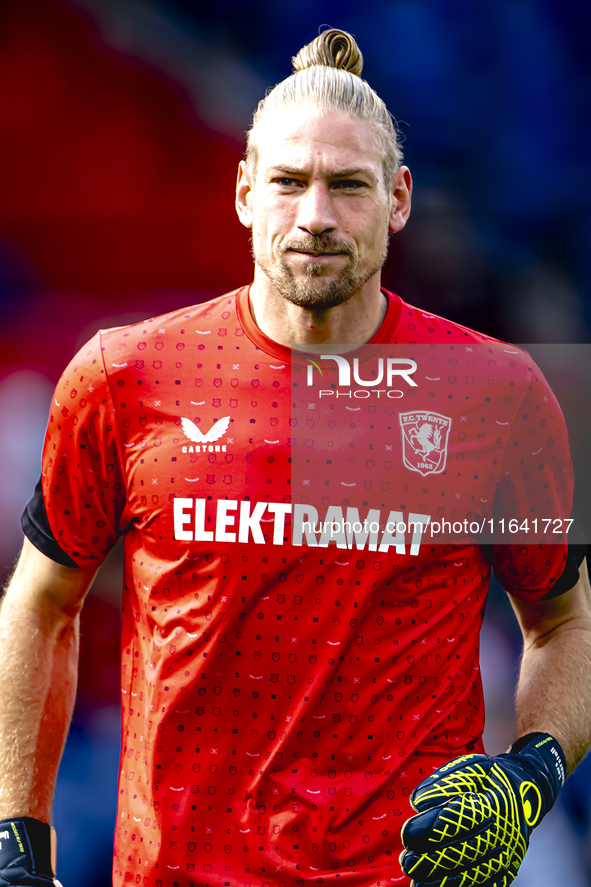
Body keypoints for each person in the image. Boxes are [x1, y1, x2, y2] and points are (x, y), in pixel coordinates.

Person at [0, 27, 590, 887]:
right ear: (244, 193)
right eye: (288, 182)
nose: (314, 216)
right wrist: (18, 837)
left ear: (399, 198)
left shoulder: (495, 391)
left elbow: (565, 620)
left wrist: (530, 773)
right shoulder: (123, 375)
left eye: (347, 186)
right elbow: (39, 604)